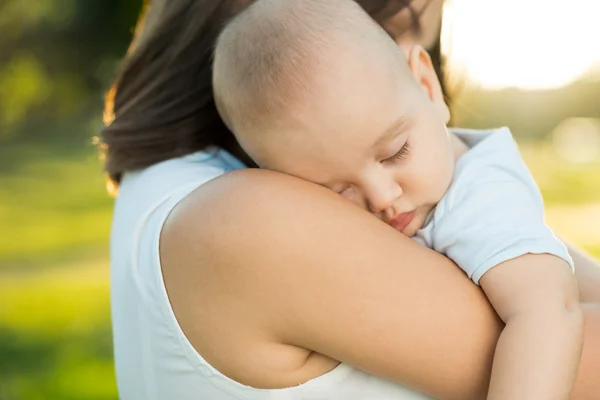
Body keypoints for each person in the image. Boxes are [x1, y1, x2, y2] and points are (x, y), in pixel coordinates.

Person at [101, 0, 600, 399]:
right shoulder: (251, 217)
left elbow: (550, 305)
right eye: (337, 190)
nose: (385, 198)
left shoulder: (164, 180)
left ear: (424, 84)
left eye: (397, 150)